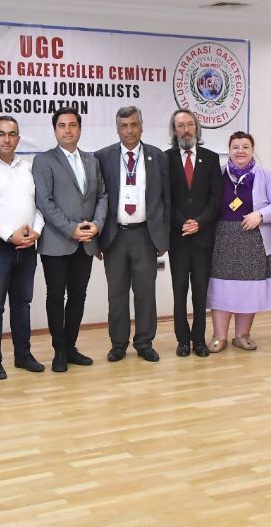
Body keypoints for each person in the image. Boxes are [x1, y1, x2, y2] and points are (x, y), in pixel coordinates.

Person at [32, 108, 107, 372]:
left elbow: (102, 196)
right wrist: (70, 229)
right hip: (57, 242)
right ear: (55, 130)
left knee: (78, 296)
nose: (67, 130)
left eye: (72, 125)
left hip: (86, 242)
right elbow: (44, 202)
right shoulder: (43, 160)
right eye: (62, 125)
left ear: (79, 129)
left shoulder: (92, 160)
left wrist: (97, 225)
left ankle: (71, 346)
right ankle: (59, 350)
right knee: (56, 296)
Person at [0, 116, 46, 379]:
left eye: (12, 134)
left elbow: (40, 204)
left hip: (27, 245)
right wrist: (9, 235)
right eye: (1, 134)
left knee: (22, 303)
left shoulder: (27, 169)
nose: (6, 139)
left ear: (18, 139)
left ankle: (23, 355)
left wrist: (37, 230)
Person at [95, 106, 170, 363]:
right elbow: (96, 199)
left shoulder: (157, 157)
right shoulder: (103, 157)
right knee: (116, 294)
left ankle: (144, 342)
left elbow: (166, 200)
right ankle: (118, 344)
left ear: (141, 127)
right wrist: (97, 239)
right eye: (124, 126)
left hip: (145, 235)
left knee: (145, 292)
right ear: (117, 129)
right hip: (114, 236)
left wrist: (162, 236)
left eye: (134, 125)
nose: (129, 130)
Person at [206, 132, 271, 352]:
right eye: (235, 147)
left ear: (252, 150)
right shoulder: (218, 173)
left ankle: (242, 336)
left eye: (245, 147)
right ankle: (219, 336)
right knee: (221, 288)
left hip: (254, 240)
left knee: (248, 290)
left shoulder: (264, 175)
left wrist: (260, 215)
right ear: (229, 150)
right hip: (222, 239)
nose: (240, 151)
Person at [166, 109, 222, 357]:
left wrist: (199, 222)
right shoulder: (165, 159)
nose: (186, 130)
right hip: (177, 237)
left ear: (197, 128)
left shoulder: (210, 159)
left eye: (190, 124)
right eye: (180, 125)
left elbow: (215, 198)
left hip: (202, 238)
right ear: (174, 130)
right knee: (179, 292)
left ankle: (199, 339)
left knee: (200, 291)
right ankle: (183, 340)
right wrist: (183, 223)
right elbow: (165, 198)